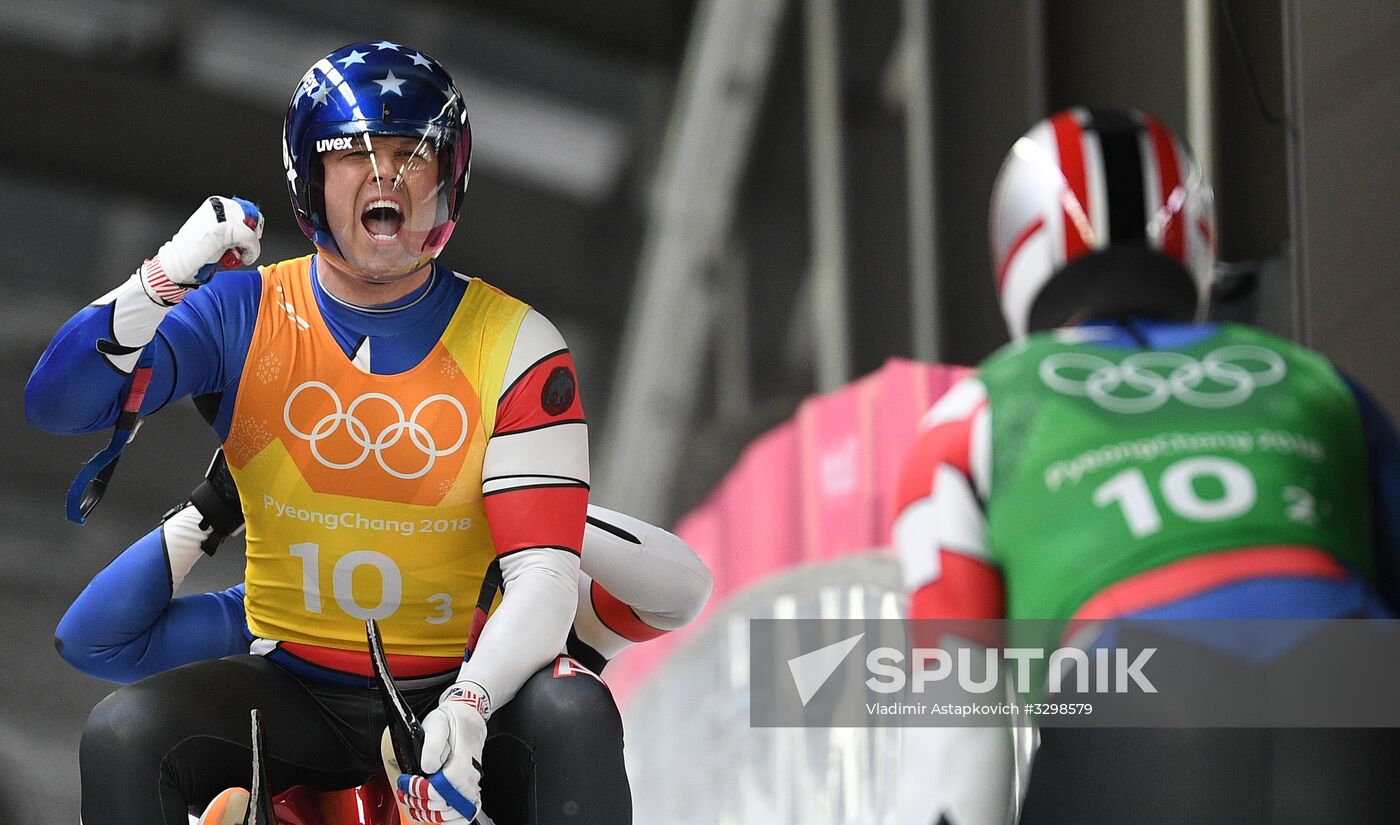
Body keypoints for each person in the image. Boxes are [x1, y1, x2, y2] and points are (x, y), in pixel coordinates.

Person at [26, 41, 633, 825]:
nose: (387, 177)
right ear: (310, 179)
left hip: (464, 681)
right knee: (122, 734)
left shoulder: (519, 344)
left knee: (577, 711)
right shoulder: (240, 313)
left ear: (448, 180)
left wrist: (472, 702)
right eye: (355, 155)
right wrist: (163, 278)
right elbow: (60, 405)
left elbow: (545, 574)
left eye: (413, 156)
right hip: (295, 687)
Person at [890, 107, 1400, 825]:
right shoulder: (1317, 380)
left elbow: (956, 742)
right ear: (1195, 240)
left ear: (1015, 251)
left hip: (1138, 717)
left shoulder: (973, 414)